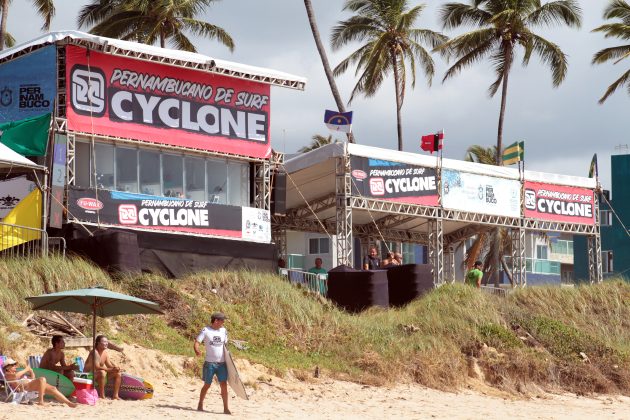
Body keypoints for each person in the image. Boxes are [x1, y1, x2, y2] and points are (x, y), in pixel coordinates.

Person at [194, 312, 230, 414]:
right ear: (216, 321)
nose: (223, 322)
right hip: (210, 363)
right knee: (207, 385)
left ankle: (226, 408)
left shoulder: (223, 331)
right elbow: (197, 342)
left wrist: (229, 358)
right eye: (222, 320)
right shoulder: (206, 330)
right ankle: (200, 403)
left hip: (222, 364)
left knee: (224, 384)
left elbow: (225, 345)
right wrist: (197, 350)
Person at [2, 358, 77, 407]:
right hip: (26, 389)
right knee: (42, 379)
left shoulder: (18, 373)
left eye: (15, 364)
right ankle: (41, 401)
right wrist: (26, 369)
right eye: (13, 365)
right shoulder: (7, 375)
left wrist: (31, 371)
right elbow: (15, 377)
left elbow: (33, 378)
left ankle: (69, 403)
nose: (15, 366)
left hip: (31, 385)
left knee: (53, 388)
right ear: (7, 368)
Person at [83, 335, 122, 399]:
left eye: (107, 342)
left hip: (98, 376)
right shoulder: (94, 352)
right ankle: (102, 395)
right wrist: (109, 369)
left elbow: (109, 365)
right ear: (98, 343)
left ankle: (115, 395)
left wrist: (115, 368)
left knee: (118, 373)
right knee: (102, 372)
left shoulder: (105, 353)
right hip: (88, 376)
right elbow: (97, 367)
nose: (106, 343)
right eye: (104, 342)